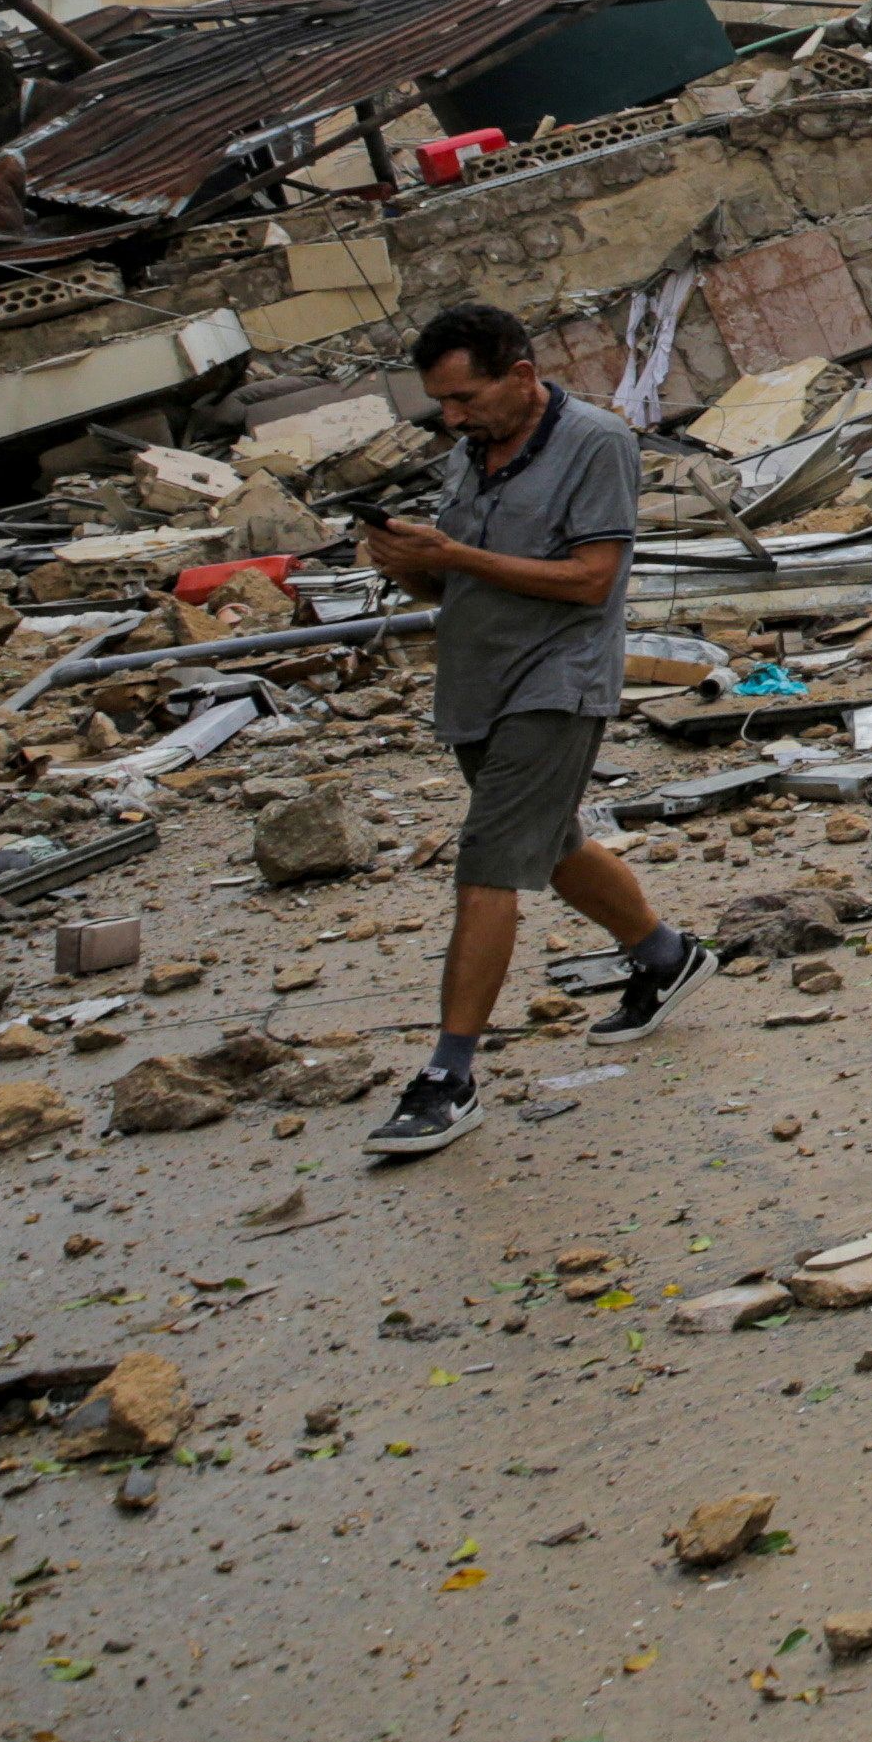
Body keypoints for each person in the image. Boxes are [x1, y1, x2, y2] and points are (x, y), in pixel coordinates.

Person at [354, 300, 705, 1158]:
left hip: (559, 677)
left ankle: (448, 1075)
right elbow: (454, 588)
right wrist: (407, 564)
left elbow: (591, 580)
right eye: (443, 403)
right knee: (546, 844)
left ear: (520, 375)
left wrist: (452, 558)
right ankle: (665, 955)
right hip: (477, 679)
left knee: (488, 862)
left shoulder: (596, 441)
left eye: (466, 397)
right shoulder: (471, 457)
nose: (454, 416)